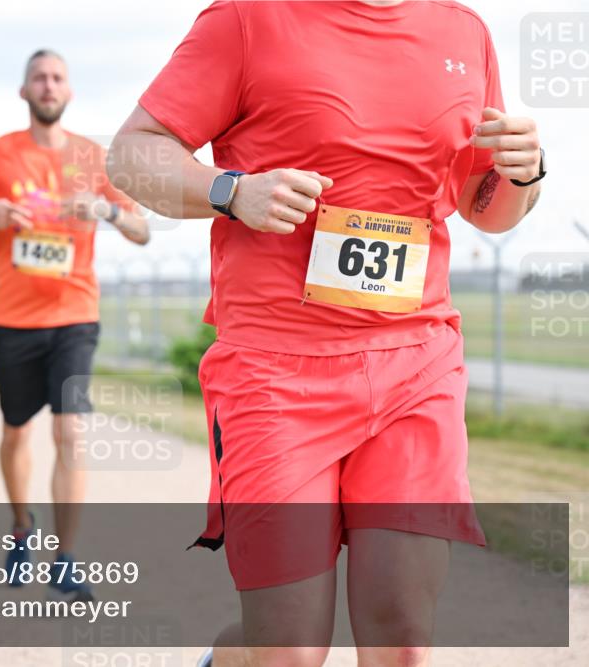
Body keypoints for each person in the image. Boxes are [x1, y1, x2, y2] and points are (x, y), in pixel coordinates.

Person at [107, 2, 545, 666]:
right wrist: (232, 190)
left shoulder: (464, 31)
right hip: (275, 374)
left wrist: (525, 173)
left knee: (403, 638)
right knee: (286, 649)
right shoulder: (247, 19)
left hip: (415, 364)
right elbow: (132, 153)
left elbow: (483, 205)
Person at [0, 49, 150, 602]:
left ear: (69, 91)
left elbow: (141, 230)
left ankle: (66, 557)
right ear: (24, 90)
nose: (49, 85)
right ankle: (21, 526)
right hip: (9, 321)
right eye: (39, 77)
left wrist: (104, 210)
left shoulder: (93, 158)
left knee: (71, 432)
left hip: (74, 316)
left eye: (57, 77)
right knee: (16, 432)